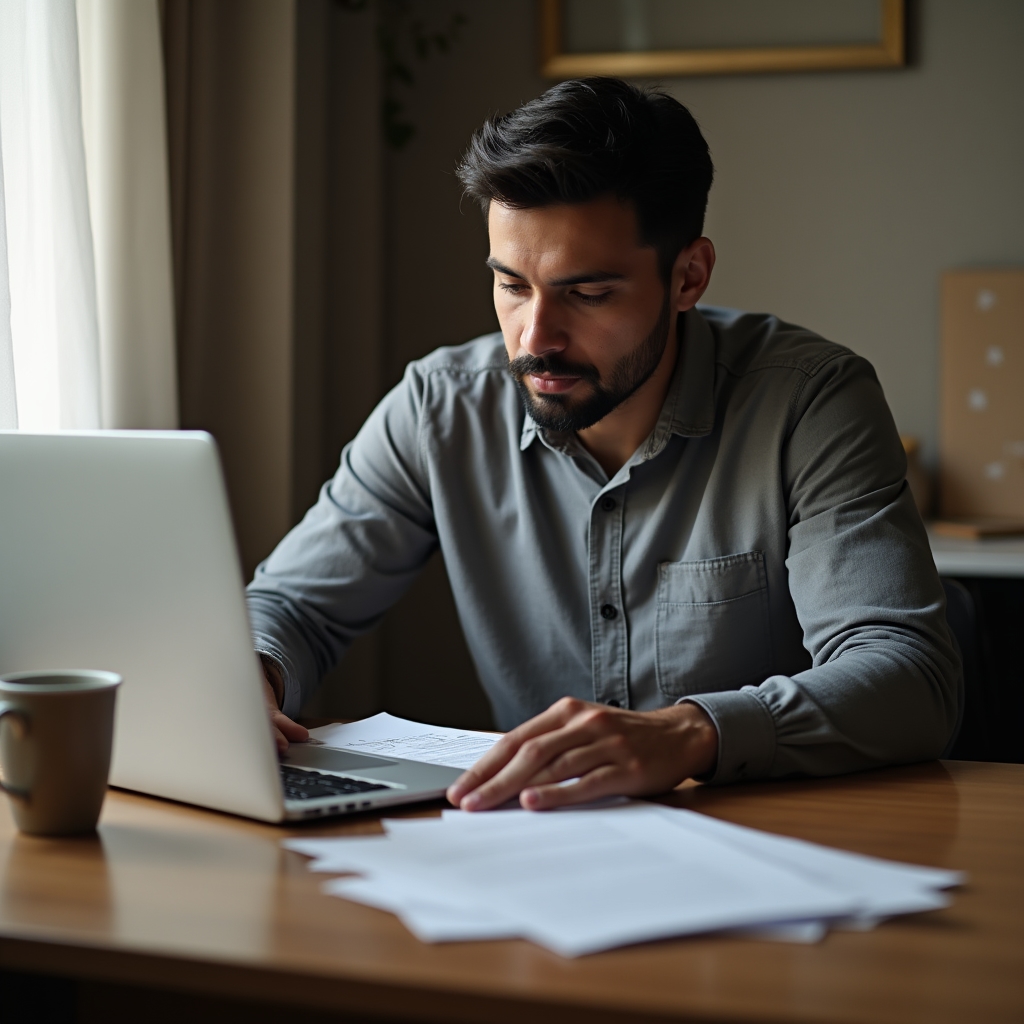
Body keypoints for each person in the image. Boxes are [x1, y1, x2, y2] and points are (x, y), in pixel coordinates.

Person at [247, 77, 960, 813]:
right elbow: (291, 606)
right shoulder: (440, 408)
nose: (535, 339)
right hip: (537, 850)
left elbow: (909, 678)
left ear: (689, 276)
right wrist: (250, 678)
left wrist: (689, 734)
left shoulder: (811, 402)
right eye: (512, 286)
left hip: (788, 843)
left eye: (587, 295)